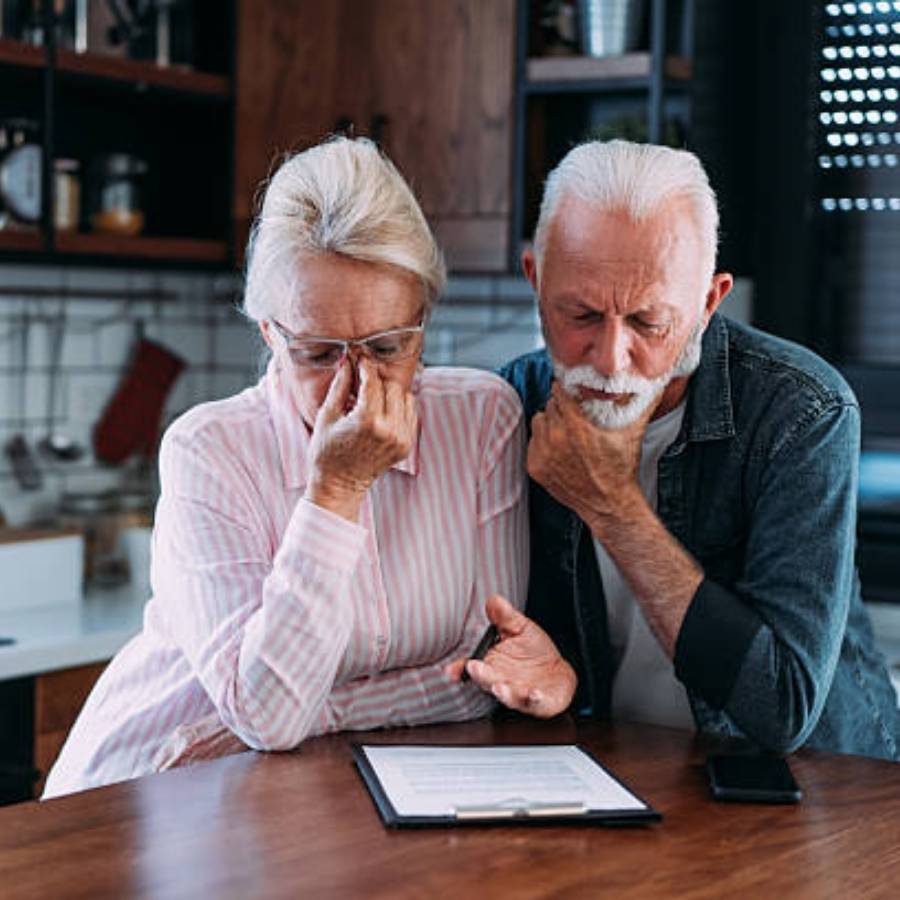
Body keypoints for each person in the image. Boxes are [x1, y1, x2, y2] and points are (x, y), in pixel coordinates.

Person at [44, 137, 533, 797]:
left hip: (313, 788)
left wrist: (319, 713)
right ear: (270, 333)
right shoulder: (207, 452)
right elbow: (270, 716)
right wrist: (337, 490)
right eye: (316, 353)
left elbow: (483, 674)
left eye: (387, 346)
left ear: (423, 318)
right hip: (154, 782)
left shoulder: (483, 422)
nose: (355, 386)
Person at [464, 139, 900, 760]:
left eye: (648, 323)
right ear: (535, 280)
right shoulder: (505, 405)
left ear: (708, 303)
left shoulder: (802, 411)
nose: (611, 359)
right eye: (581, 315)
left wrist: (610, 502)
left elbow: (781, 707)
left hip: (823, 791)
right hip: (618, 774)